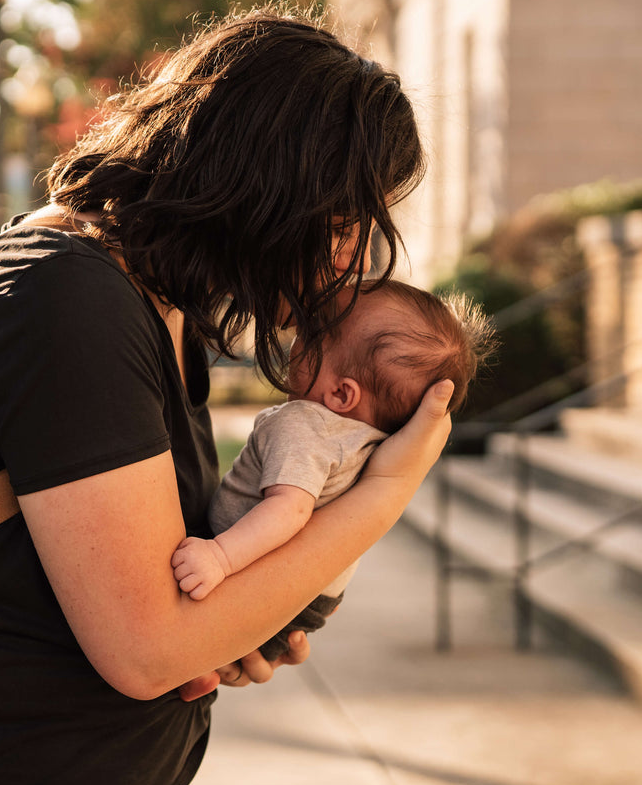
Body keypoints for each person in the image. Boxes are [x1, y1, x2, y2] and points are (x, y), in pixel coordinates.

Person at [0, 5, 455, 785]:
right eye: (338, 218)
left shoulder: (147, 296)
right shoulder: (64, 300)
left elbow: (162, 577)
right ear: (261, 185)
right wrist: (392, 488)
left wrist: (245, 618)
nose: (348, 254)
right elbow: (145, 646)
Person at [173, 281, 494, 659]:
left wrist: (219, 558)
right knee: (220, 660)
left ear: (342, 394)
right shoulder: (370, 441)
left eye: (312, 336)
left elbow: (289, 510)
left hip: (247, 574)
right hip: (312, 592)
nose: (296, 336)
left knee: (191, 650)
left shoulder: (305, 425)